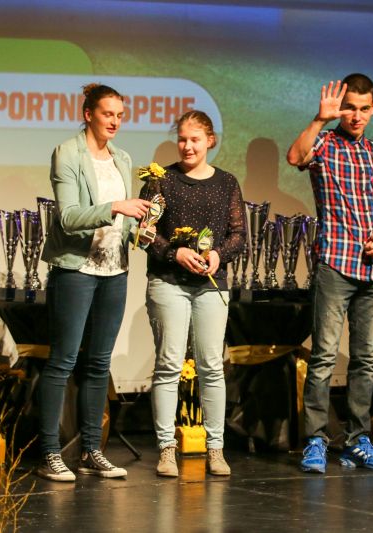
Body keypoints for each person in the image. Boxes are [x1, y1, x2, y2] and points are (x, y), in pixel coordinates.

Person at [37, 83, 152, 482]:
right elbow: (69, 216)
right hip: (76, 269)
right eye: (108, 114)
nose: (115, 122)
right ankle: (50, 453)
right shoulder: (68, 153)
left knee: (99, 363)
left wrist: (141, 231)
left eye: (120, 115)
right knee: (63, 360)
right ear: (88, 114)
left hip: (114, 270)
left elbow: (124, 223)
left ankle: (91, 450)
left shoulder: (122, 158)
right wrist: (116, 207)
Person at [286, 73, 373, 473]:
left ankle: (357, 441)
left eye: (363, 109)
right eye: (349, 108)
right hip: (335, 262)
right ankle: (316, 440)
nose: (356, 115)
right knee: (325, 355)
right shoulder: (325, 144)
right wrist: (320, 119)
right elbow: (295, 157)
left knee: (366, 358)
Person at [145, 110, 245, 477]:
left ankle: (215, 449)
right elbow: (145, 233)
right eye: (183, 139)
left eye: (195, 139)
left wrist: (218, 255)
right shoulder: (160, 180)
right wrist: (175, 253)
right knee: (169, 364)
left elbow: (238, 234)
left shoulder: (226, 182)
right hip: (168, 282)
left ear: (210, 141)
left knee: (211, 367)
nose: (188, 146)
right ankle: (166, 449)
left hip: (210, 286)